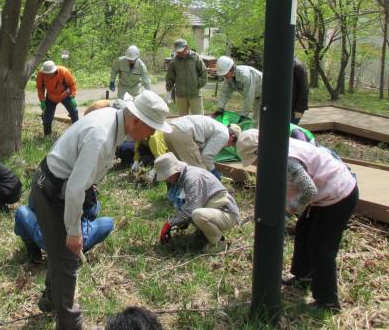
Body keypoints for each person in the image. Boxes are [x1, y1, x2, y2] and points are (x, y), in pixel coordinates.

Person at [31, 90, 171, 330]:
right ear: (135, 120)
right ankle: (69, 322)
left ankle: (50, 299)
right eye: (151, 128)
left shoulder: (114, 119)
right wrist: (74, 231)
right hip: (53, 193)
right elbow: (75, 190)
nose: (151, 134)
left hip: (59, 188)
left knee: (60, 249)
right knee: (68, 262)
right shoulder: (101, 137)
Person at [236, 129, 359, 312]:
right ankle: (303, 277)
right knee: (303, 232)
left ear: (261, 151)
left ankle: (328, 302)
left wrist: (287, 211)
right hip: (322, 194)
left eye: (254, 161)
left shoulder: (287, 159)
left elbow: (308, 191)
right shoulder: (278, 149)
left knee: (321, 246)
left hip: (339, 194)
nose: (255, 165)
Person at [155, 152, 240, 254]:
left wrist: (170, 224)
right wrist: (181, 221)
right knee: (191, 214)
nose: (166, 178)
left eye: (167, 175)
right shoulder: (182, 177)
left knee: (197, 214)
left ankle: (218, 243)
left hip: (227, 214)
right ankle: (205, 234)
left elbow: (191, 207)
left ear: (175, 170)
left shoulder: (192, 178)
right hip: (215, 210)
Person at [14, 191, 114, 264]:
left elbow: (33, 204)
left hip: (47, 239)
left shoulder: (43, 180)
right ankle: (76, 254)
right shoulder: (82, 184)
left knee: (21, 210)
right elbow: (91, 211)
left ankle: (33, 253)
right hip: (77, 241)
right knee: (108, 222)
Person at [163, 115, 241, 180]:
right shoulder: (224, 134)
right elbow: (206, 155)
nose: (229, 146)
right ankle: (195, 196)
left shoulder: (217, 126)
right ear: (233, 136)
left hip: (169, 129)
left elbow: (200, 151)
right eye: (232, 144)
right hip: (182, 133)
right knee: (200, 172)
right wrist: (213, 171)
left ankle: (175, 193)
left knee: (178, 166)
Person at [213, 56, 263, 126]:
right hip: (258, 97)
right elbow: (225, 93)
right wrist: (220, 109)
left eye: (225, 73)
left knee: (265, 120)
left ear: (231, 69)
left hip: (269, 93)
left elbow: (248, 97)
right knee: (255, 122)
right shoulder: (229, 77)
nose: (224, 76)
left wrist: (243, 115)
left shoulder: (246, 76)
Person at [165, 38, 208, 116]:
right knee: (183, 120)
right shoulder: (174, 61)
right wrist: (168, 90)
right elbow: (170, 77)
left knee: (199, 118)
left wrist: (197, 84)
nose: (180, 53)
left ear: (187, 47)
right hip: (181, 96)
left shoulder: (196, 58)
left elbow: (204, 73)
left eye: (182, 50)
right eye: (178, 51)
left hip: (195, 94)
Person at [37, 60, 79, 136]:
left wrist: (72, 97)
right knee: (47, 118)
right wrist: (42, 100)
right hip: (51, 97)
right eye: (47, 74)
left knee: (74, 112)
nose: (48, 75)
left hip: (64, 94)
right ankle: (47, 135)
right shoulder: (41, 74)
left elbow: (72, 84)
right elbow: (40, 88)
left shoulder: (63, 71)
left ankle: (77, 133)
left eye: (50, 73)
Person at [292, 57, 309, 124]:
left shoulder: (298, 65)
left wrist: (299, 110)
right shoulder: (283, 64)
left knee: (290, 131)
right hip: (284, 108)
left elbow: (304, 89)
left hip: (294, 108)